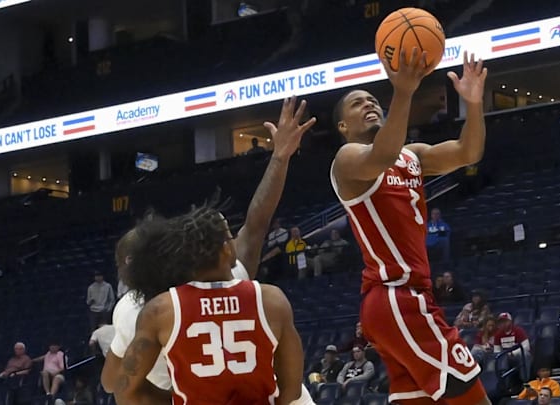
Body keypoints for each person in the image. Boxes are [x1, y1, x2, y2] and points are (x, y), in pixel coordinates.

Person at [102, 97, 316, 402]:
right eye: (228, 236)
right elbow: (257, 223)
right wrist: (280, 158)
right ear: (223, 251)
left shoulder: (149, 310)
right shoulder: (259, 292)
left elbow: (115, 385)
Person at [330, 48, 488, 404]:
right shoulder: (347, 158)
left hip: (404, 298)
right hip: (395, 294)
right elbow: (382, 155)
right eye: (357, 103)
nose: (369, 104)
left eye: (372, 99)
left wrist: (473, 104)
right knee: (474, 397)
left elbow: (468, 152)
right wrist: (403, 92)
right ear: (343, 127)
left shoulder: (411, 155)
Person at [112, 206, 306, 405]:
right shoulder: (271, 300)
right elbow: (292, 390)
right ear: (226, 248)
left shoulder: (161, 310)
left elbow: (124, 390)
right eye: (230, 238)